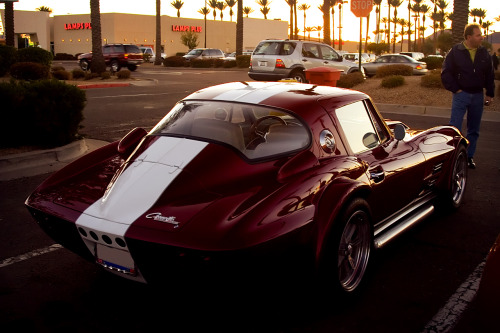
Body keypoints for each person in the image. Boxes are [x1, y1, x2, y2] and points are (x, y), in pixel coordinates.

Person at [441, 23, 495, 169]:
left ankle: (469, 157)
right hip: (461, 95)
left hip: (477, 96)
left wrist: (489, 93)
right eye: (478, 35)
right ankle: (452, 157)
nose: (481, 37)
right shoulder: (456, 51)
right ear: (469, 37)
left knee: (474, 129)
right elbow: (446, 72)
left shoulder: (484, 53)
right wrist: (456, 89)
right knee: (455, 127)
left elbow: (489, 74)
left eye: (481, 35)